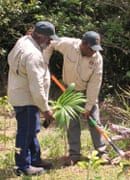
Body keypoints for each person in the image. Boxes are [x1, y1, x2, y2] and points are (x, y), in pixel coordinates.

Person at [44, 31, 109, 165]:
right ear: (83, 44)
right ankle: (74, 154)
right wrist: (44, 62)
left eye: (96, 49)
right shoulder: (68, 45)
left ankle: (102, 153)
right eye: (91, 49)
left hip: (87, 92)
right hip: (69, 91)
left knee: (94, 122)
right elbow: (51, 43)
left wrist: (89, 106)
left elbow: (95, 84)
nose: (94, 52)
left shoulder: (97, 59)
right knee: (72, 123)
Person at [7, 21, 58, 176]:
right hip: (27, 98)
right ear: (41, 36)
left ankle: (35, 159)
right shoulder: (33, 54)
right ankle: (23, 165)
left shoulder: (24, 41)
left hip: (20, 93)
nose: (50, 42)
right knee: (26, 131)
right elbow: (36, 87)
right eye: (49, 39)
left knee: (31, 129)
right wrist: (46, 109)